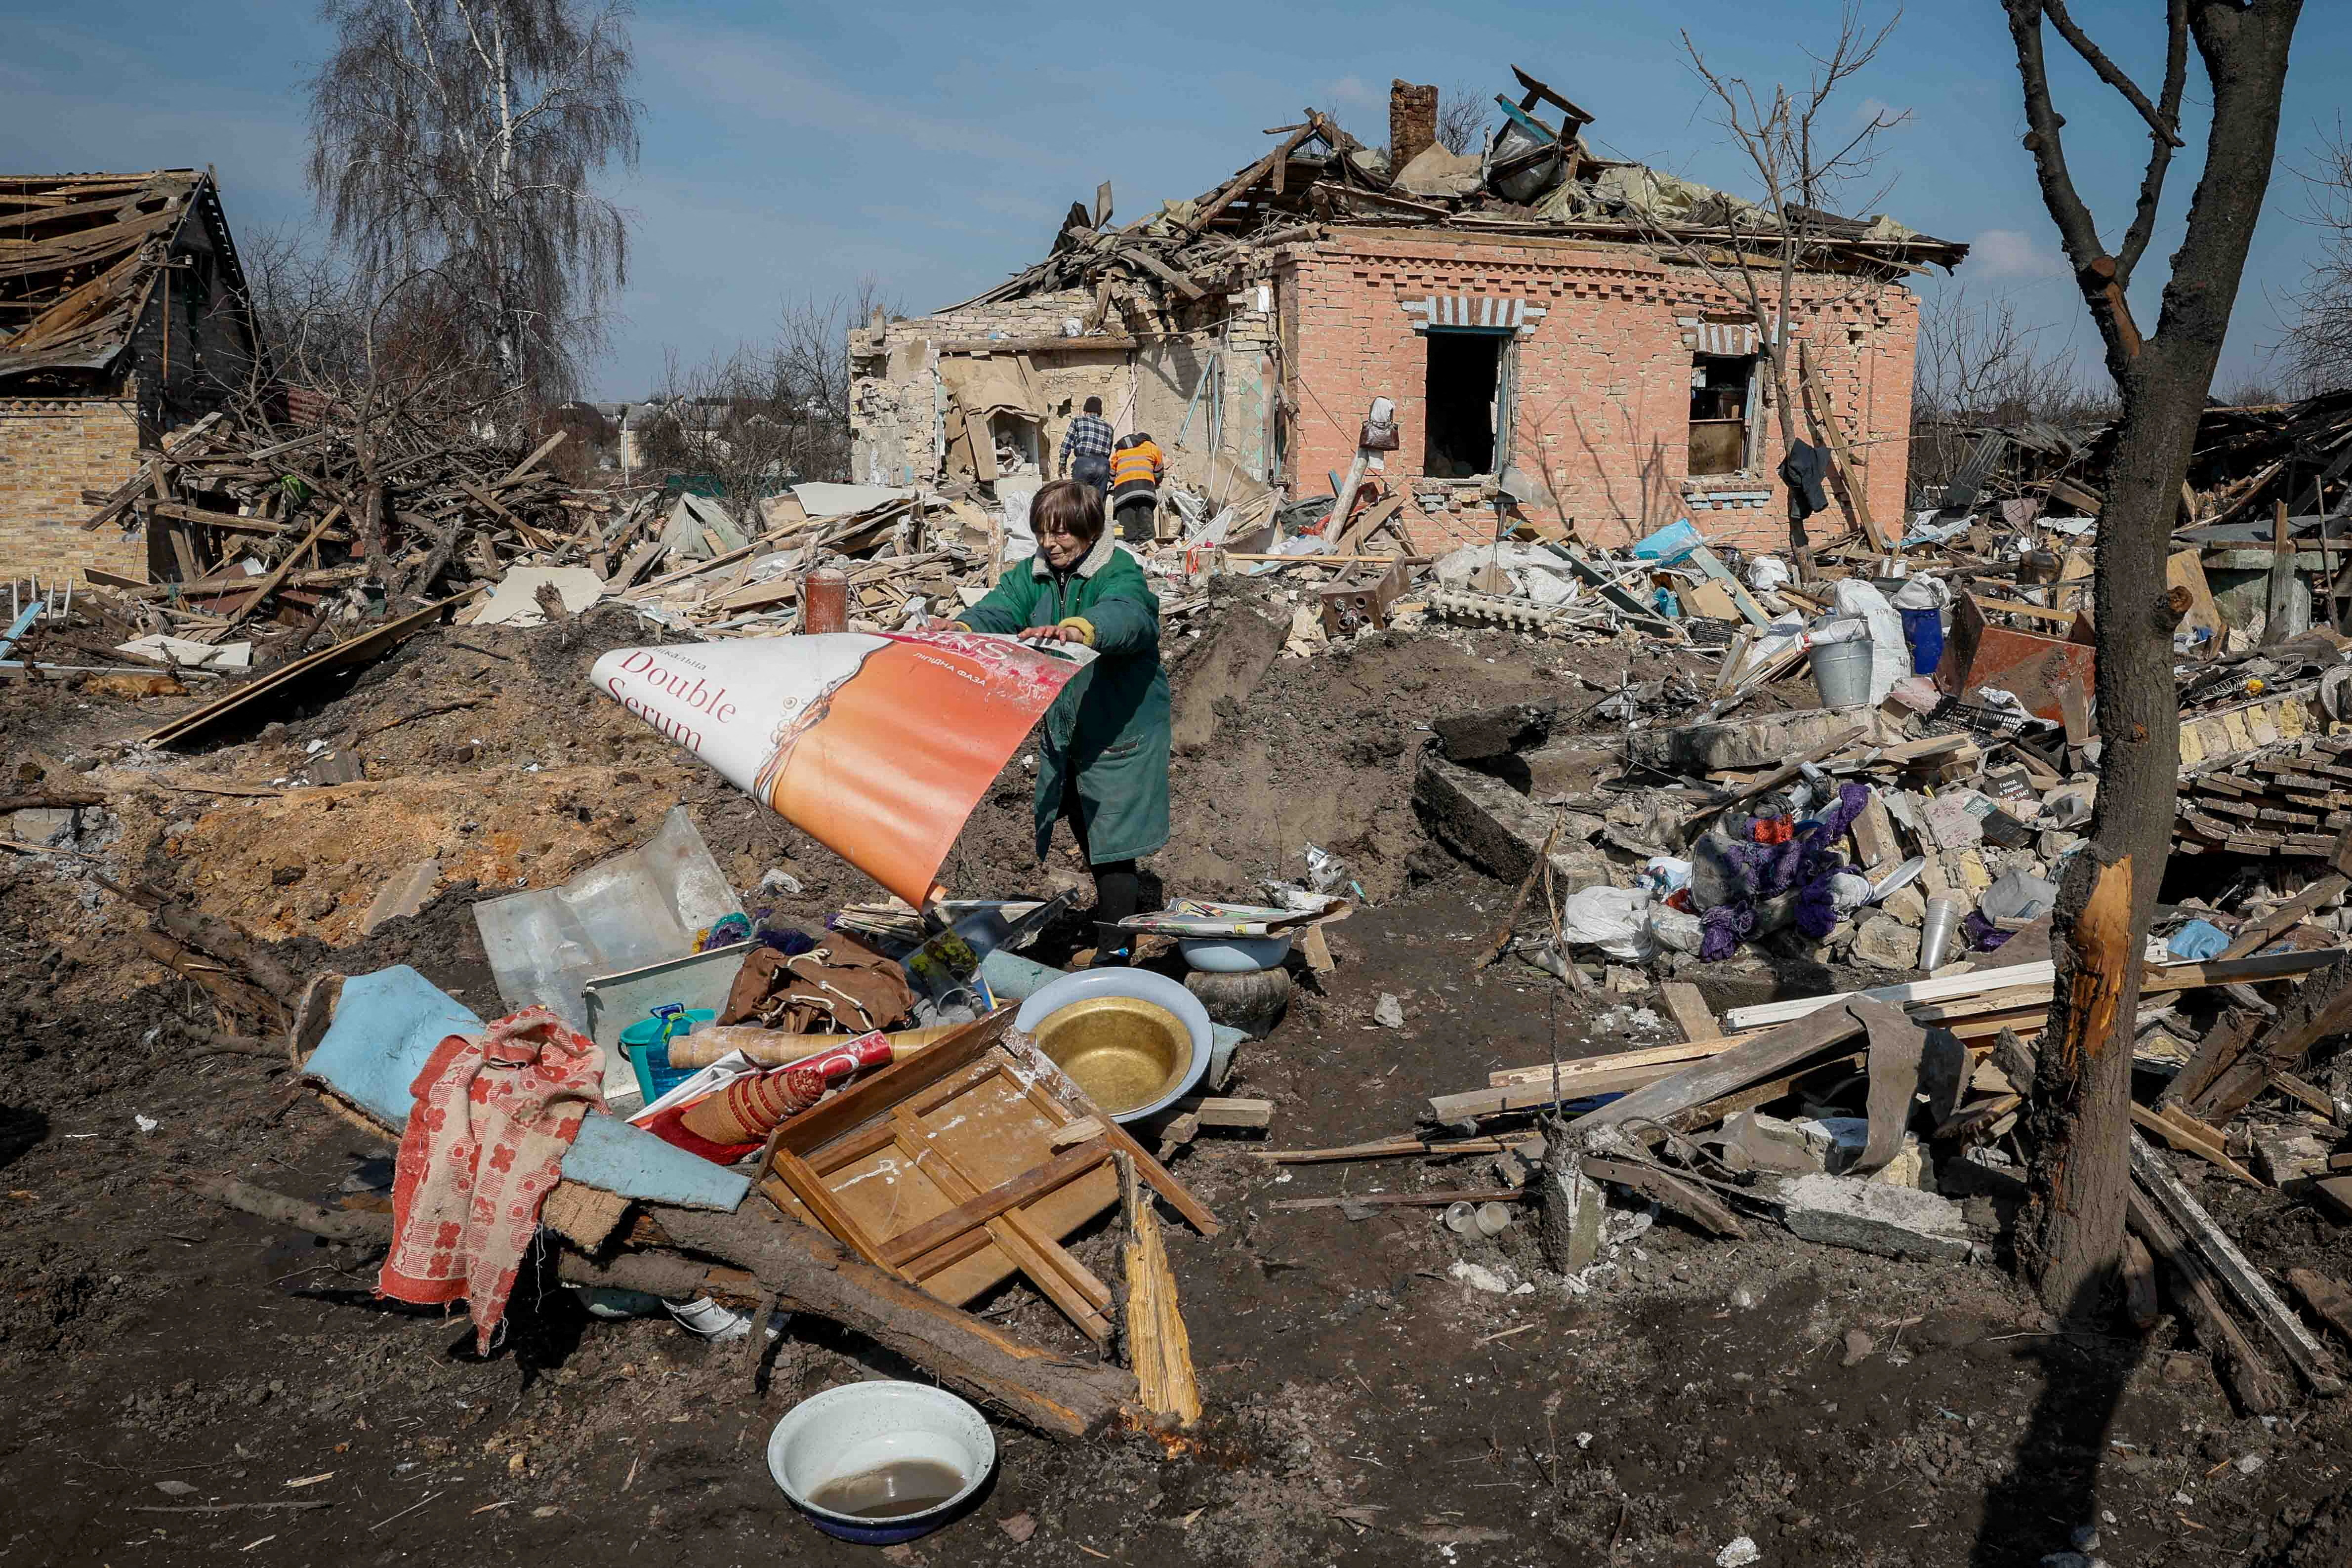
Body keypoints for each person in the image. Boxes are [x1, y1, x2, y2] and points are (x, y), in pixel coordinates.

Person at [936, 478, 1168, 965]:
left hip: (1122, 726)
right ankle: (1116, 924)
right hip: (1073, 722)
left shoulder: (1118, 571)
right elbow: (1001, 609)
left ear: (1089, 531)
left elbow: (1130, 616)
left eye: (1062, 533)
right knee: (1087, 826)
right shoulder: (1034, 575)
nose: (1050, 543)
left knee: (1113, 840)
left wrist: (1082, 628)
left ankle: (1117, 951)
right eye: (1044, 532)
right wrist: (960, 627)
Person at [1109, 430, 1165, 545]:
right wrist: (1155, 482)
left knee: (1128, 533)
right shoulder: (1152, 447)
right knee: (1146, 529)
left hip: (1123, 492)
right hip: (1146, 490)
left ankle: (1130, 553)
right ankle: (1148, 553)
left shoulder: (1120, 451)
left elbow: (1112, 476)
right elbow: (1159, 473)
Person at [1059, 395, 1114, 501]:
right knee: (1097, 503)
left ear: (1085, 411)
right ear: (1100, 413)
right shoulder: (1109, 428)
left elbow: (1066, 446)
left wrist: (1062, 466)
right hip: (1103, 466)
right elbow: (1108, 452)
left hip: (1084, 463)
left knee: (1079, 501)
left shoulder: (1078, 421)